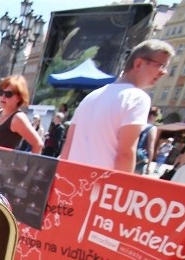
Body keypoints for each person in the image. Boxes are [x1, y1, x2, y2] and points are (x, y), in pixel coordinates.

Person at [62, 39, 175, 172]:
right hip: (102, 185)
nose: (164, 72)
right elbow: (125, 154)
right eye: (161, 65)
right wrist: (124, 189)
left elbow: (67, 148)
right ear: (138, 63)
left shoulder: (91, 97)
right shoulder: (136, 97)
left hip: (72, 180)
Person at [0, 75, 43, 153]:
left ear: (19, 98)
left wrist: (29, 165)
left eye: (8, 94)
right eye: (1, 92)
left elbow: (38, 144)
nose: (3, 97)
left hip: (4, 164)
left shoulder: (18, 118)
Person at [135, 106, 160, 175]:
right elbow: (150, 147)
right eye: (157, 115)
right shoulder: (152, 128)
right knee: (133, 181)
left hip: (129, 153)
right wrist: (149, 165)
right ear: (152, 116)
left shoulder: (137, 123)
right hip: (139, 158)